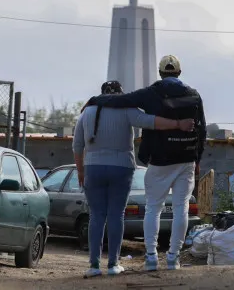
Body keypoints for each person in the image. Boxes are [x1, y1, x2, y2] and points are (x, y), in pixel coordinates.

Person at [86, 55, 206, 272]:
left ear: (160, 73)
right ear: (179, 72)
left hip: (160, 160)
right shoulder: (194, 95)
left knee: (153, 208)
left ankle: (151, 257)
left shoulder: (152, 93)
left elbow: (121, 100)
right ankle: (173, 258)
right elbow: (202, 130)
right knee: (182, 209)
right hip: (186, 159)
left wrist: (97, 99)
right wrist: (197, 159)